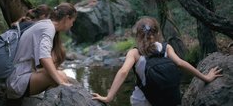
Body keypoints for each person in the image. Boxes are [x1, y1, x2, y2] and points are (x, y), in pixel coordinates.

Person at [92, 16, 222, 106]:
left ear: (138, 35)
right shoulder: (166, 47)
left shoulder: (135, 53)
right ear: (157, 33)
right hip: (166, 100)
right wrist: (206, 77)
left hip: (142, 101)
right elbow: (181, 63)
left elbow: (123, 72)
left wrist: (109, 97)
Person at [6, 2, 77, 105]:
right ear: (66, 18)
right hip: (17, 81)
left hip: (18, 76)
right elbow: (44, 57)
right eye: (72, 21)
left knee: (61, 74)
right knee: (60, 77)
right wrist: (60, 82)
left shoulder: (45, 24)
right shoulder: (48, 28)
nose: (72, 24)